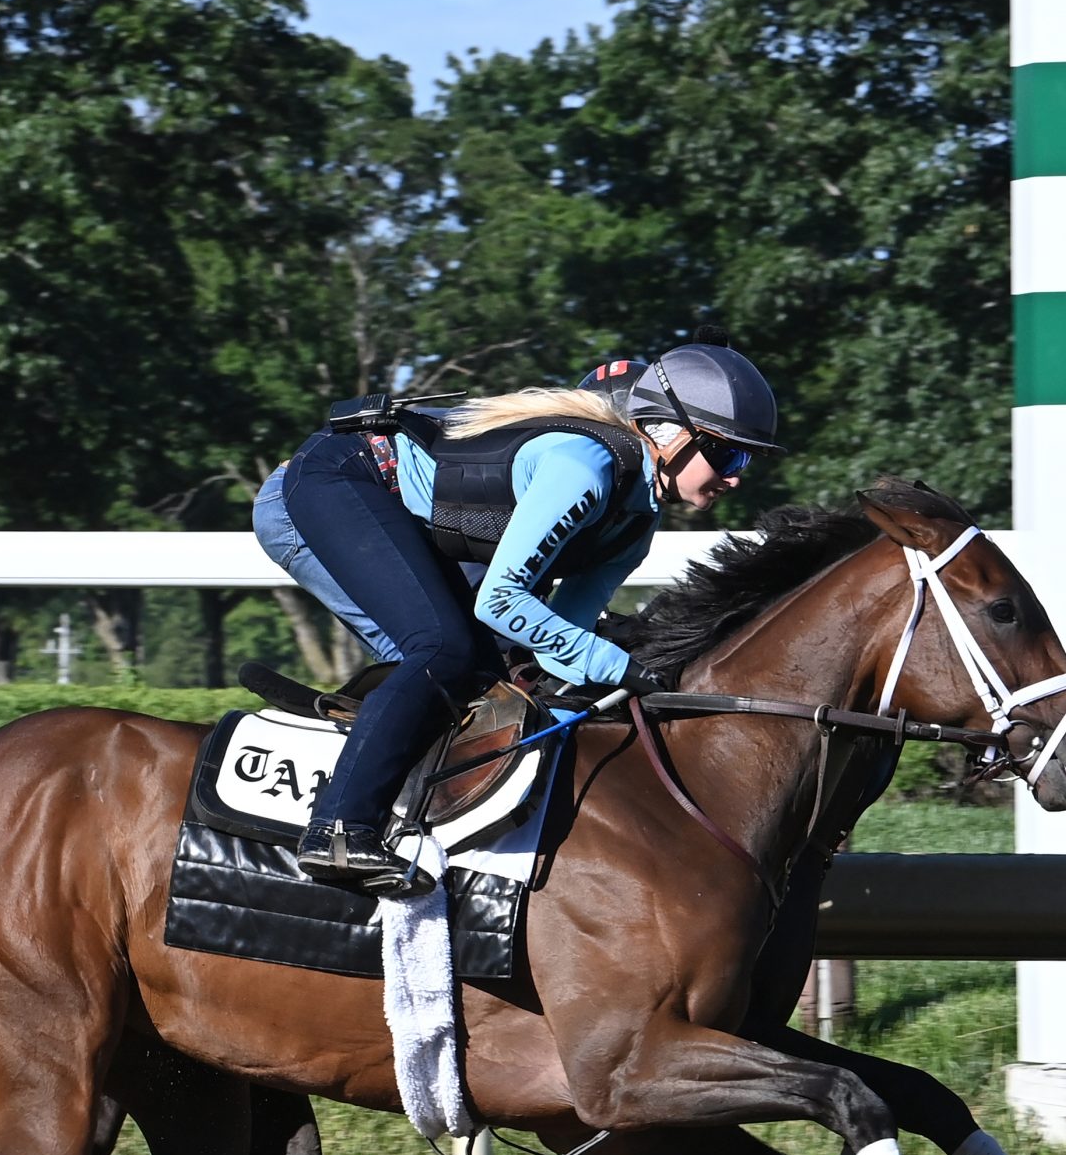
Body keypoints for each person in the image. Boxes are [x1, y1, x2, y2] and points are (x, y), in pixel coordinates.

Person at [252, 342, 784, 894]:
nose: (735, 476)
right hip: (339, 479)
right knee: (441, 651)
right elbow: (501, 602)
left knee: (483, 675)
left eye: (744, 461)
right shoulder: (585, 467)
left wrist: (633, 673)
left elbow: (558, 642)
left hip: (393, 510)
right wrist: (616, 663)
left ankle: (410, 817)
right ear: (668, 433)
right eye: (726, 455)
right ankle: (338, 830)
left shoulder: (634, 530)